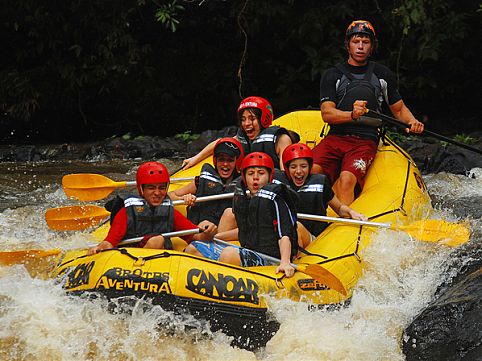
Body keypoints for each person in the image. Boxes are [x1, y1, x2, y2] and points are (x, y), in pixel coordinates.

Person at [311, 20, 424, 205]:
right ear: (348, 45)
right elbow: (327, 113)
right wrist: (352, 115)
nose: (361, 46)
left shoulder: (382, 74)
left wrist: (412, 123)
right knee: (311, 172)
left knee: (346, 180)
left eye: (366, 42)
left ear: (372, 47)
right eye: (356, 41)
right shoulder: (332, 75)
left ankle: (345, 227)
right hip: (336, 137)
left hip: (364, 140)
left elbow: (399, 109)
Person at [186, 152, 299, 278]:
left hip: (270, 259)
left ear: (269, 176)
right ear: (244, 177)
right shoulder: (243, 198)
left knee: (229, 254)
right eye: (251, 174)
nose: (255, 178)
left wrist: (285, 262)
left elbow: (284, 234)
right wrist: (216, 237)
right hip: (249, 251)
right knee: (194, 248)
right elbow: (246, 230)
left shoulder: (275, 199)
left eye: (261, 173)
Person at [88, 161, 210, 255]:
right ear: (141, 189)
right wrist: (99, 248)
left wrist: (209, 230)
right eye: (151, 188)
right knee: (156, 240)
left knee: (158, 241)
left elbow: (195, 236)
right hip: (130, 260)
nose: (157, 193)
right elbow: (110, 241)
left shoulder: (168, 211)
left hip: (161, 262)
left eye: (162, 188)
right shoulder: (127, 212)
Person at [281, 143, 367, 248]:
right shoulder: (278, 182)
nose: (298, 171)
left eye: (303, 166)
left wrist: (351, 212)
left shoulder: (320, 182)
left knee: (296, 227)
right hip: (284, 236)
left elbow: (339, 208)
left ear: (310, 167)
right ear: (287, 169)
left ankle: (295, 260)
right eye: (293, 167)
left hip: (312, 239)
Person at [182, 96, 293, 170]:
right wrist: (194, 159)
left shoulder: (281, 140)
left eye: (252, 118)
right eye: (243, 119)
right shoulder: (243, 137)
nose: (246, 123)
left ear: (264, 119)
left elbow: (285, 174)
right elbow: (220, 143)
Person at [168, 137, 244, 230]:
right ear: (215, 161)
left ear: (237, 162)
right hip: (198, 229)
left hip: (222, 234)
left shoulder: (245, 185)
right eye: (221, 159)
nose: (225, 164)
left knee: (230, 213)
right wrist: (183, 198)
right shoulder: (201, 181)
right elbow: (169, 195)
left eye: (230, 160)